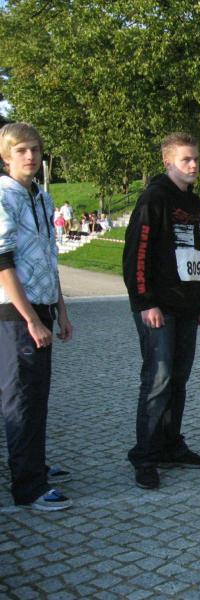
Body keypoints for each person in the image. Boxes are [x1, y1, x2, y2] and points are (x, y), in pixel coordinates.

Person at [122, 132, 200, 490]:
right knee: (157, 380)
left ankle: (171, 444)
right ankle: (145, 455)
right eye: (186, 159)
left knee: (178, 379)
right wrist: (145, 302)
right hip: (158, 307)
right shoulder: (154, 198)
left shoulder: (195, 202)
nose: (193, 165)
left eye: (196, 159)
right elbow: (136, 254)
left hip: (187, 306)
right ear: (168, 161)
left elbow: (197, 254)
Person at [0, 122, 74, 510]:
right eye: (21, 150)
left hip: (42, 306)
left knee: (38, 394)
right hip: (13, 312)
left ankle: (34, 465)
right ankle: (28, 486)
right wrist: (30, 318)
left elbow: (49, 257)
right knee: (21, 398)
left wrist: (61, 310)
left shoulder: (42, 198)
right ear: (6, 156)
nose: (30, 156)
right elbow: (2, 262)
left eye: (35, 149)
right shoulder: (3, 196)